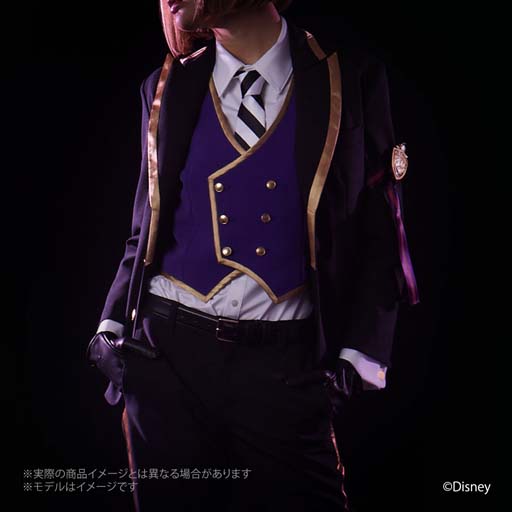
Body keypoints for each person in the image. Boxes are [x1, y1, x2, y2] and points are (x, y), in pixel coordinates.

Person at [86, 0, 419, 510]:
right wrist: (109, 332)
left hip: (288, 372)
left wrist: (355, 364)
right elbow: (144, 230)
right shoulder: (164, 86)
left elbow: (382, 240)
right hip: (167, 365)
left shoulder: (350, 80)